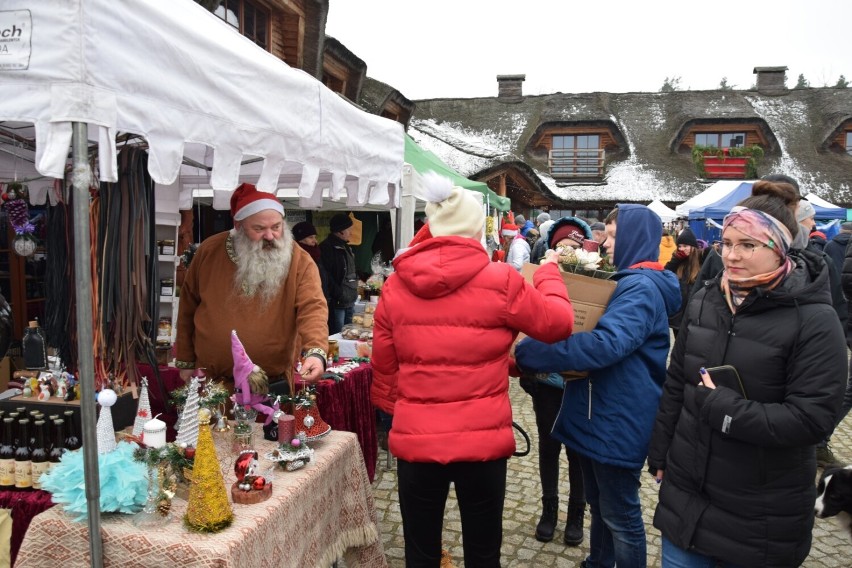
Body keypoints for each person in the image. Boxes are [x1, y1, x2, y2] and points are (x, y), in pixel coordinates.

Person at [371, 172, 575, 567]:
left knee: (421, 554)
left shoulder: (395, 286)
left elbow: (384, 369)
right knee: (483, 555)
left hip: (417, 445)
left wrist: (402, 414)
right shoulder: (500, 280)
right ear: (474, 227)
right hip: (482, 445)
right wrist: (549, 273)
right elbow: (558, 324)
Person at [648, 186, 847, 567]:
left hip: (759, 515)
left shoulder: (815, 320)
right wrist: (660, 449)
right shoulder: (706, 299)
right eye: (726, 242)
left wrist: (723, 408)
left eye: (748, 245)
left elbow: (812, 420)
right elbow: (677, 380)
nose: (732, 255)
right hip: (687, 498)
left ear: (779, 248)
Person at [516, 204, 681, 568]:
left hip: (617, 415)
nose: (604, 244)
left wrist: (537, 352)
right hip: (600, 410)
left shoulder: (640, 288)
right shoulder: (630, 281)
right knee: (601, 505)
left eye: (613, 236)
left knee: (621, 516)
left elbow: (607, 345)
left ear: (635, 239)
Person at [175, 183, 328, 386]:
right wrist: (185, 360)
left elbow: (313, 307)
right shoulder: (209, 251)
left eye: (276, 227)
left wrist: (316, 352)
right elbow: (188, 306)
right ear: (238, 226)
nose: (270, 236)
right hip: (213, 385)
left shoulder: (299, 259)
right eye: (259, 228)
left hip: (271, 385)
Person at [519, 215, 591, 547]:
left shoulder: (596, 281)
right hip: (547, 382)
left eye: (573, 247)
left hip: (579, 382)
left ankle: (576, 513)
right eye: (561, 247)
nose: (566, 253)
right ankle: (549, 510)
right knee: (549, 448)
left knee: (578, 453)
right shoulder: (537, 280)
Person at [320, 212, 358, 335]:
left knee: (350, 335)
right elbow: (326, 275)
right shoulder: (327, 248)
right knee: (338, 336)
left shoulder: (345, 246)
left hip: (349, 300)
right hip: (337, 302)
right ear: (340, 231)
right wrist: (338, 293)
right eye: (349, 230)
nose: (351, 233)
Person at [664, 227, 704, 338]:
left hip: (693, 313)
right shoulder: (677, 261)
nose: (682, 249)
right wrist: (676, 260)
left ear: (693, 247)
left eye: (685, 246)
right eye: (679, 246)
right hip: (678, 314)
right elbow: (664, 273)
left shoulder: (701, 262)